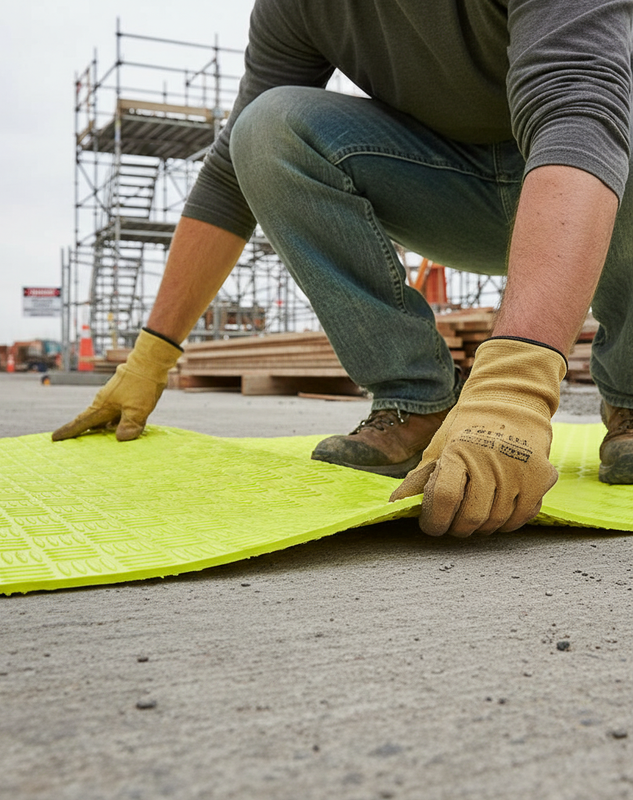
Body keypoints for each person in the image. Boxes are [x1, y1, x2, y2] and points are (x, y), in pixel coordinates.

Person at [53, 0, 633, 537]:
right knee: (266, 128)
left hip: (601, 171)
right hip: (455, 189)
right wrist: (150, 358)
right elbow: (228, 180)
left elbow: (577, 106)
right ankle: (416, 401)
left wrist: (513, 388)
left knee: (610, 108)